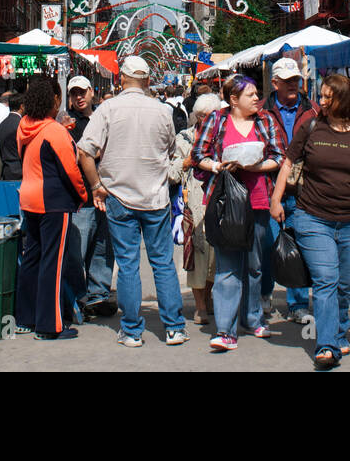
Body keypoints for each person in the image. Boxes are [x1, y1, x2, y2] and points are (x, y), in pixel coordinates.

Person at [271, 73, 350, 369]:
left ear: (342, 99)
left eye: (326, 96)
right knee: (326, 280)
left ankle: (339, 330)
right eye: (320, 95)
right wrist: (276, 198)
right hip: (313, 218)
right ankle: (327, 345)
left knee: (344, 285)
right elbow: (287, 163)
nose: (320, 101)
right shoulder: (311, 127)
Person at [78, 56, 188, 347]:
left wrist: (96, 186)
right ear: (148, 81)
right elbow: (171, 149)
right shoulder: (162, 111)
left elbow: (84, 153)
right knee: (162, 263)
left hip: (119, 196)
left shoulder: (107, 109)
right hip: (155, 196)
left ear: (122, 79)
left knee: (127, 264)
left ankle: (131, 330)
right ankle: (175, 327)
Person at [191, 74, 285, 352]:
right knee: (227, 267)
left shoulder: (265, 121)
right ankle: (225, 329)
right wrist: (217, 166)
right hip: (225, 203)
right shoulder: (217, 120)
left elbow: (280, 156)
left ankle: (252, 317)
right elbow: (198, 154)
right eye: (251, 94)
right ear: (233, 100)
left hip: (258, 201)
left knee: (255, 265)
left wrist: (256, 167)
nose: (257, 98)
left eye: (257, 94)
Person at [15, 78, 88, 340]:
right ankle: (49, 325)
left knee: (32, 259)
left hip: (28, 198)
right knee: (52, 263)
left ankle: (25, 318)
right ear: (54, 100)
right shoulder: (55, 132)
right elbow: (71, 169)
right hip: (53, 201)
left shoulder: (24, 126)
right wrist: (81, 195)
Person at [260, 57, 320, 323]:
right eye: (287, 81)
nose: (293, 85)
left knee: (298, 246)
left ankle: (297, 304)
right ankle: (264, 295)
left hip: (302, 189)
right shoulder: (260, 110)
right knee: (268, 246)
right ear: (275, 83)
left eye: (295, 79)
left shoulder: (313, 110)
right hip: (269, 186)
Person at [63, 75, 115, 319]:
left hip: (107, 195)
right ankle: (78, 298)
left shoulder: (104, 119)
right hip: (81, 197)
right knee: (77, 252)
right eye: (74, 93)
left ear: (92, 93)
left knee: (103, 250)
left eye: (82, 92)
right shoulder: (67, 124)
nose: (79, 97)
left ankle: (99, 296)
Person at [171, 93, 222, 323]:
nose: (204, 120)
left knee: (215, 254)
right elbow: (172, 172)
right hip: (194, 202)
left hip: (218, 200)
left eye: (209, 116)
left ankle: (209, 298)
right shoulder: (185, 138)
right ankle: (200, 305)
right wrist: (190, 160)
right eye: (200, 116)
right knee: (197, 254)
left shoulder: (222, 137)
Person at [0, 93, 24, 181]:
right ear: (22, 106)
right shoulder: (21, 125)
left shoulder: (1, 126)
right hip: (20, 171)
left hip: (6, 170)